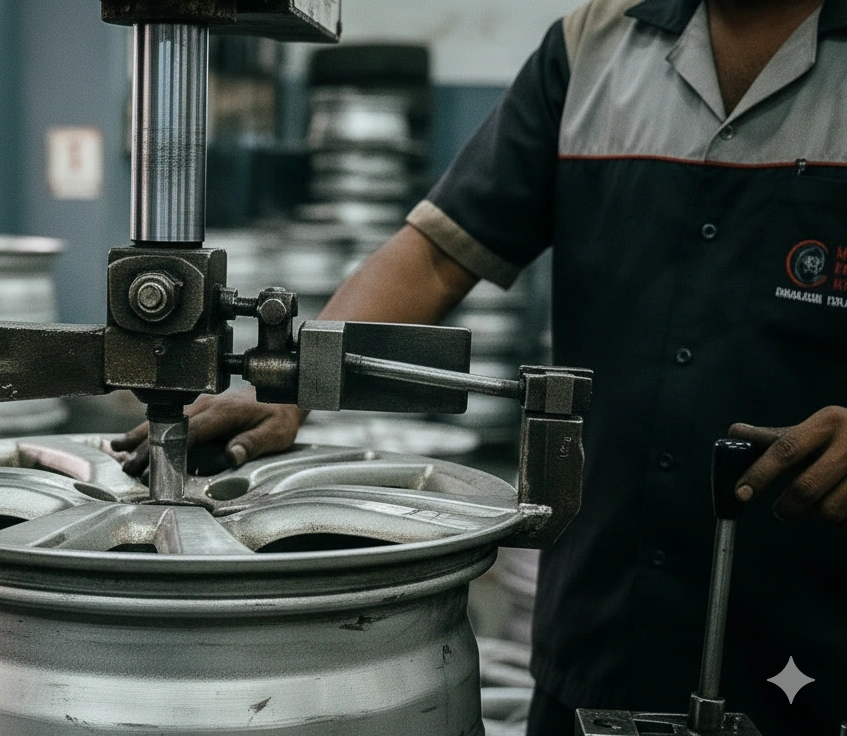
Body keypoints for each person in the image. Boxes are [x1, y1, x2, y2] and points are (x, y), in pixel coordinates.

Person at [114, 0, 847, 733]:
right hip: (602, 627)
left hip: (810, 643)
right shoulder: (591, 46)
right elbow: (439, 255)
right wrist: (294, 388)